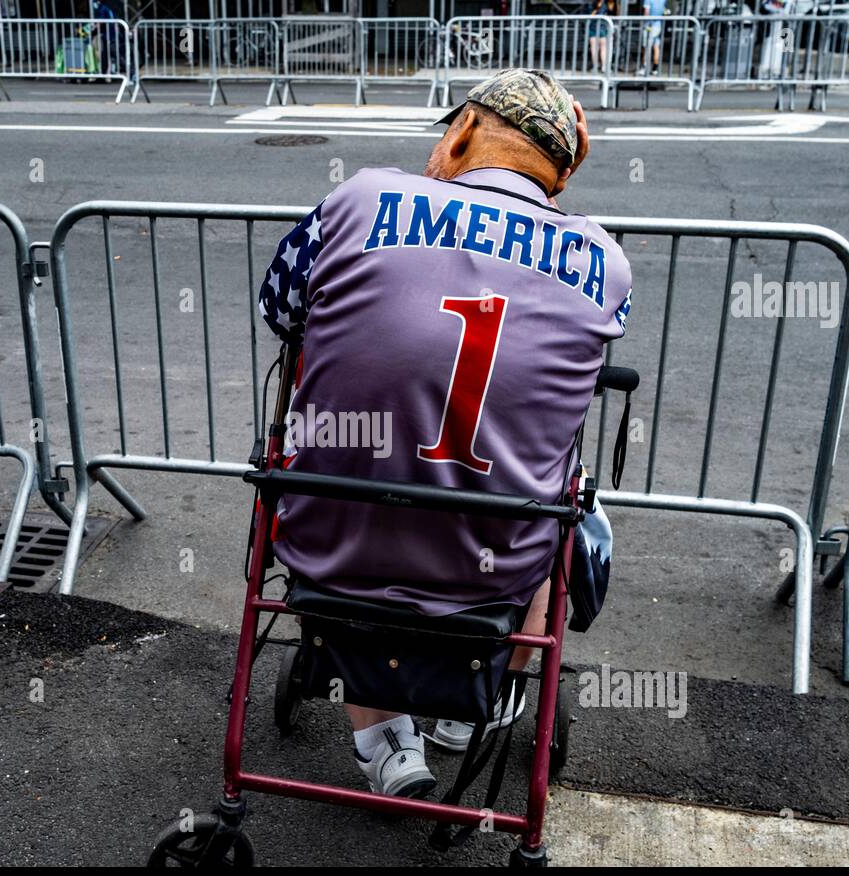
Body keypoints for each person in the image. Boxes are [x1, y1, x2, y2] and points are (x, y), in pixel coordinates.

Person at [255, 70, 631, 798]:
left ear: (460, 134)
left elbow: (281, 308)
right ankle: (472, 706)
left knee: (350, 465)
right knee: (570, 512)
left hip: (329, 538)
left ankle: (383, 740)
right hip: (490, 569)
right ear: (563, 169)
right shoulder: (603, 262)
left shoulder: (360, 201)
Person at [588, 0, 617, 73]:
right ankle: (601, 66)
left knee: (597, 48)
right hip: (599, 28)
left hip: (598, 27)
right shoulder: (605, 3)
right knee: (600, 48)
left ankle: (598, 66)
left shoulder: (595, 4)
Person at [639, 0, 667, 76]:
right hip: (658, 25)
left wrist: (644, 23)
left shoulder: (647, 0)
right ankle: (655, 69)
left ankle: (644, 68)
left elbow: (646, 12)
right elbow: (664, 10)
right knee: (656, 47)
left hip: (649, 25)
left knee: (646, 47)